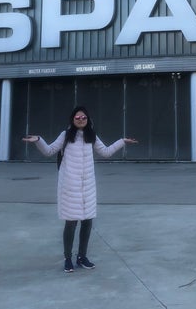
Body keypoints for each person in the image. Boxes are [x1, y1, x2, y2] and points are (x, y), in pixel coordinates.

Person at [22, 106, 137, 273]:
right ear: (72, 119)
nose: (81, 120)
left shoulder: (91, 136)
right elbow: (49, 151)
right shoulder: (66, 135)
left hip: (88, 187)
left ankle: (82, 256)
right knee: (71, 223)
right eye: (77, 117)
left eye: (83, 117)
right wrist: (38, 140)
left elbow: (105, 153)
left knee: (87, 222)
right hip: (70, 185)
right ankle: (68, 258)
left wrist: (122, 142)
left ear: (88, 119)